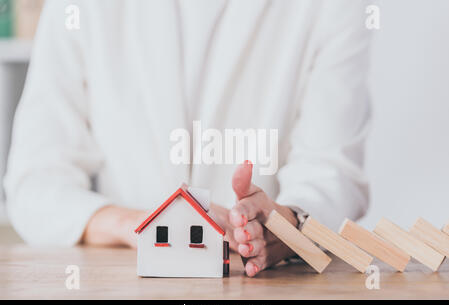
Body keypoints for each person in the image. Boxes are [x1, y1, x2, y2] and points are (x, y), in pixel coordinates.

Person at [4, 0, 371, 277]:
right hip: (124, 280)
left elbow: (331, 170)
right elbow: (35, 182)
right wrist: (141, 226)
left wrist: (284, 225)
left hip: (258, 282)